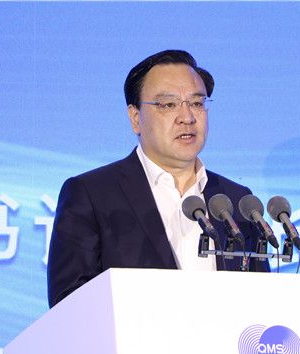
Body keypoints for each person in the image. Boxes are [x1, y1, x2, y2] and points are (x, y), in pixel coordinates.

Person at [48, 50, 269, 308]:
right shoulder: (92, 195)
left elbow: (262, 304)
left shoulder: (236, 201)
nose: (187, 117)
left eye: (197, 103)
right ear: (135, 118)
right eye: (168, 105)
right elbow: (69, 305)